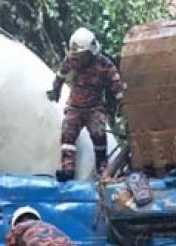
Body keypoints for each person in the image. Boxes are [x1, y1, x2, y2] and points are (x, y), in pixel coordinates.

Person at [47, 27, 125, 182]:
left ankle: (102, 168)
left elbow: (116, 85)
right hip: (74, 107)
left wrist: (123, 104)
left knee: (99, 134)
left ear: (91, 52)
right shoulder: (71, 60)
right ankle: (67, 170)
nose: (78, 59)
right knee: (67, 134)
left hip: (94, 108)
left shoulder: (104, 65)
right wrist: (55, 90)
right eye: (76, 55)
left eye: (81, 56)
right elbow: (61, 74)